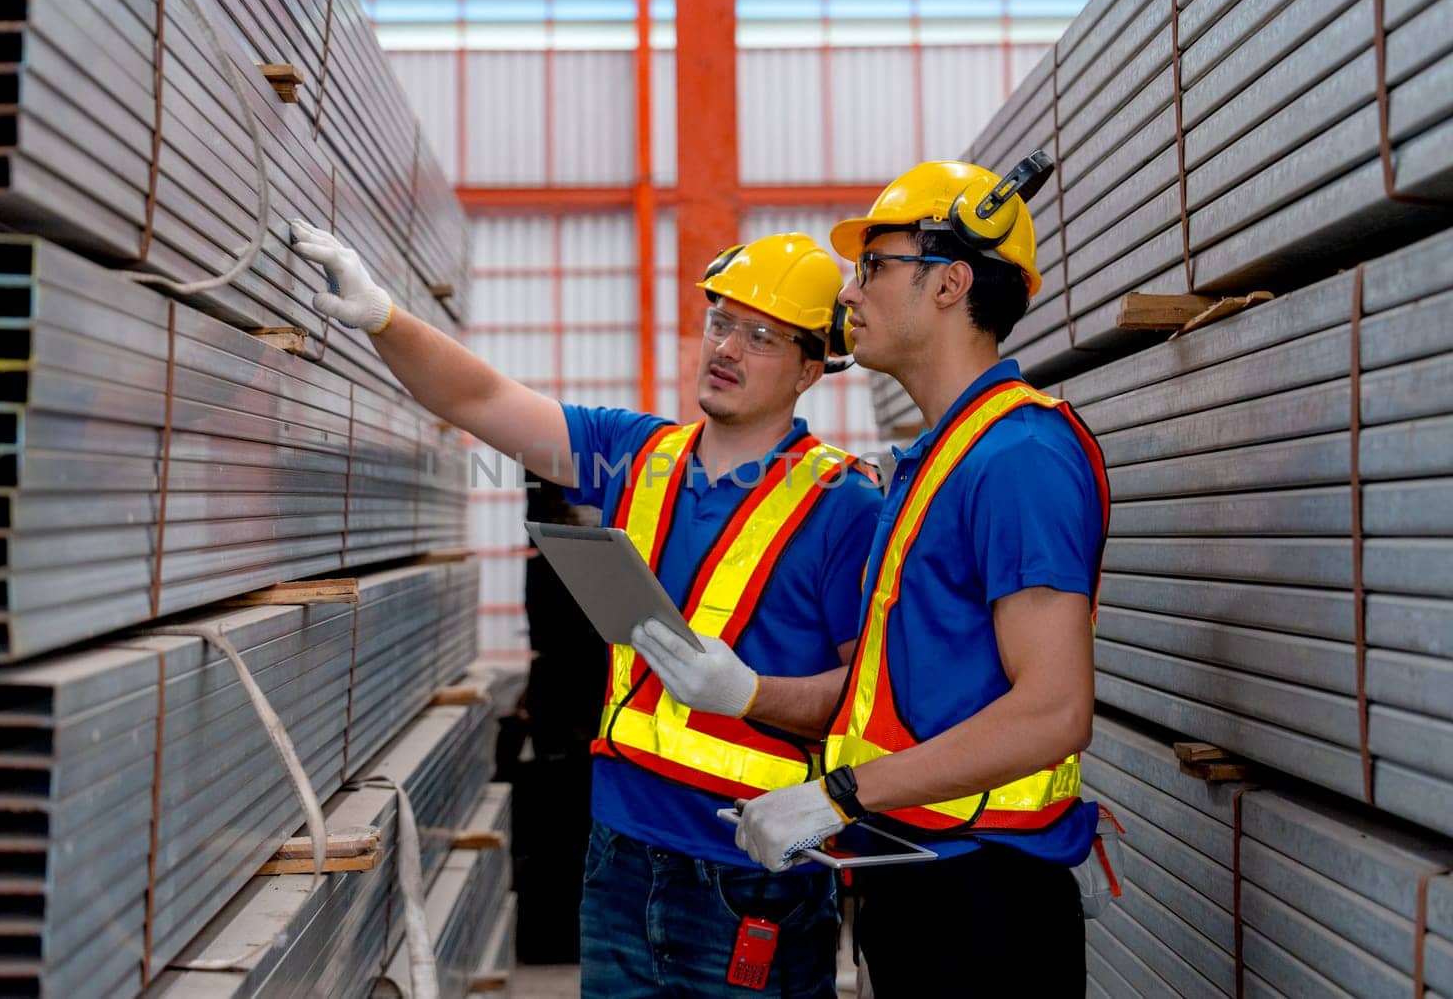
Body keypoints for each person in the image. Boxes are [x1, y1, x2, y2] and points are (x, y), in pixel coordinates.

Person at [290, 223, 883, 997]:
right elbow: (482, 398)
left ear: (811, 367)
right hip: (618, 854)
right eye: (720, 322)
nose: (727, 349)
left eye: (762, 335)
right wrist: (384, 319)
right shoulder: (633, 455)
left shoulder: (847, 504)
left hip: (753, 874)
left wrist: (751, 696)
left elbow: (873, 700)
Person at [623, 155, 1109, 994]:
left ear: (952, 282)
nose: (850, 294)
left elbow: (1054, 709)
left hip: (986, 898)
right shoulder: (936, 462)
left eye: (875, 266)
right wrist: (757, 700)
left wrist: (837, 795)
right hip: (920, 875)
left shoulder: (1021, 457)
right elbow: (893, 697)